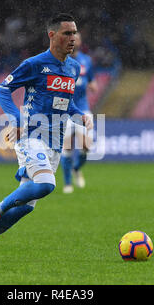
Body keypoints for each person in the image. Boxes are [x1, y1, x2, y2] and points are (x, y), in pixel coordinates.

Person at [0, 13, 93, 261]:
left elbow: (66, 103)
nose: (73, 38)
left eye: (74, 33)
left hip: (54, 142)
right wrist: (16, 120)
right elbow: (3, 90)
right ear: (52, 35)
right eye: (67, 33)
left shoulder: (73, 67)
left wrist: (80, 115)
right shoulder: (34, 64)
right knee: (46, 185)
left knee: (24, 209)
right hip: (32, 135)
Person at [61, 32, 98, 194]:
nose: (73, 41)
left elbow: (91, 80)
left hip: (83, 108)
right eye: (71, 39)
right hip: (65, 110)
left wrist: (92, 85)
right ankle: (68, 183)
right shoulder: (61, 60)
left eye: (76, 39)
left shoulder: (86, 60)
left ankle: (76, 168)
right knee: (67, 147)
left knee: (86, 146)